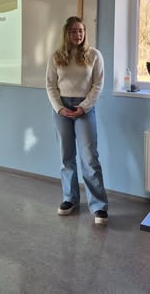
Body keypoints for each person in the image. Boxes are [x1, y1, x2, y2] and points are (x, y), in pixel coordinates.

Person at [46, 16, 109, 225]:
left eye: (81, 30)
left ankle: (98, 206)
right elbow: (50, 85)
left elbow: (98, 85)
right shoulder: (56, 56)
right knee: (66, 156)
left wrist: (83, 107)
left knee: (89, 157)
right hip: (61, 109)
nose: (78, 34)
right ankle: (69, 198)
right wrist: (60, 108)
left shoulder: (94, 55)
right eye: (73, 31)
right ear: (67, 33)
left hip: (85, 108)